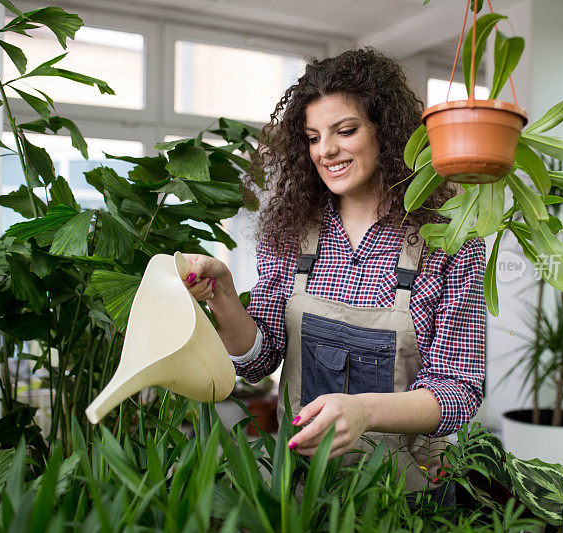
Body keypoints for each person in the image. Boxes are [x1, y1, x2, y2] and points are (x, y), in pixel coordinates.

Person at [181, 48, 486, 502]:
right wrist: (222, 295)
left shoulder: (448, 239)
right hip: (303, 490)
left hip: (406, 499)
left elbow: (459, 389)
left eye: (345, 130)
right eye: (312, 136)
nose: (326, 150)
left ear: (387, 131)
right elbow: (258, 362)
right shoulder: (291, 233)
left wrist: (364, 411)